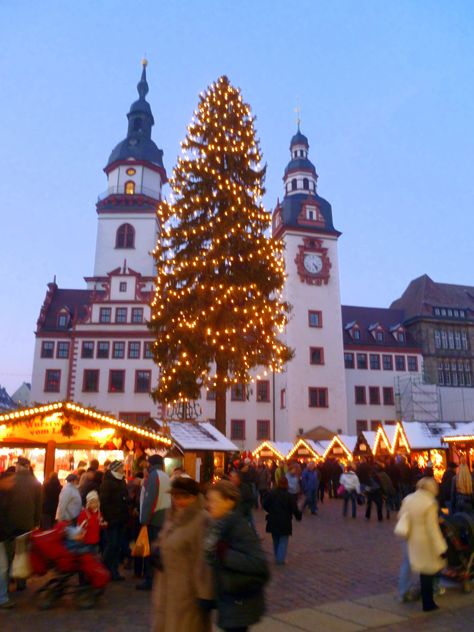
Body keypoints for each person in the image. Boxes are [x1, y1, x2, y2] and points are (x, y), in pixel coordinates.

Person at [205, 480, 270, 632]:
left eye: (214, 501)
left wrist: (225, 554)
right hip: (228, 598)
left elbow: (258, 563)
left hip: (239, 599)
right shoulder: (219, 524)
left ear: (229, 501)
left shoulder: (238, 526)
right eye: (208, 500)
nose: (209, 505)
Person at [151, 477, 214, 632]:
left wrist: (205, 595)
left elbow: (204, 559)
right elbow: (165, 539)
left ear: (194, 497)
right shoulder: (172, 516)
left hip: (187, 593)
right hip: (166, 588)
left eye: (183, 497)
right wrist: (157, 550)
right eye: (175, 496)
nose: (177, 501)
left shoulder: (202, 519)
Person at [395, 477, 447, 612]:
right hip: (424, 541)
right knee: (427, 571)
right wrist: (441, 547)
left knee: (407, 564)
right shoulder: (430, 503)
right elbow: (432, 528)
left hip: (409, 538)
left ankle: (403, 592)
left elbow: (401, 516)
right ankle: (428, 603)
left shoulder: (408, 498)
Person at [137, 454, 171, 590]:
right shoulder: (165, 476)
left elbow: (149, 500)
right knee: (158, 550)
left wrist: (144, 520)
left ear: (150, 464)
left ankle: (150, 580)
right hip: (164, 516)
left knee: (150, 550)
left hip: (155, 518)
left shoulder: (154, 476)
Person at [100, 460, 129, 581]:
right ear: (116, 469)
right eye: (122, 467)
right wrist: (109, 518)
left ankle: (113, 571)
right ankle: (104, 568)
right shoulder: (108, 482)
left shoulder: (121, 480)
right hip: (113, 519)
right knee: (112, 544)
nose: (123, 469)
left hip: (121, 518)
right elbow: (104, 502)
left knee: (116, 546)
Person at [263, 475, 302, 565]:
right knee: (283, 540)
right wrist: (298, 516)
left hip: (273, 519)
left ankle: (278, 556)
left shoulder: (271, 493)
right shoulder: (289, 496)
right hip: (285, 520)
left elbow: (265, 504)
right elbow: (294, 509)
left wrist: (270, 510)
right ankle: (280, 559)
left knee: (276, 539)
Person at [0, 470, 15, 608]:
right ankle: (2, 598)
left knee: (3, 567)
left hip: (2, 536)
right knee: (3, 567)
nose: (12, 483)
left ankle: (2, 597)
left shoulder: (7, 495)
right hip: (2, 536)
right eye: (10, 481)